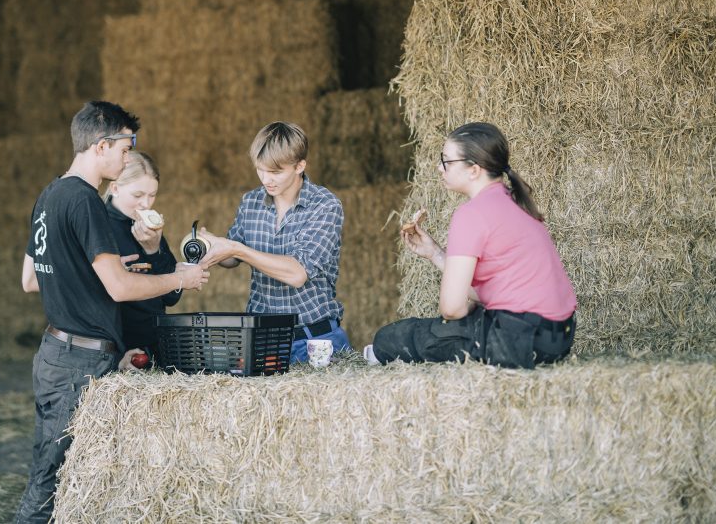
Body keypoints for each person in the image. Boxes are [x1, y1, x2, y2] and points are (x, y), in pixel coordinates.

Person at [16, 101, 210, 523]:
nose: (127, 157)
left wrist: (105, 267)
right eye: (126, 148)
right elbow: (119, 290)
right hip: (78, 363)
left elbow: (32, 279)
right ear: (102, 145)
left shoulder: (50, 194)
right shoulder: (85, 201)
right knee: (48, 488)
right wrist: (179, 279)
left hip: (55, 354)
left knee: (61, 481)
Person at [367, 122, 577, 369]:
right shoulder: (515, 203)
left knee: (390, 338)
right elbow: (495, 292)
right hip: (557, 338)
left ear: (474, 170)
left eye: (446, 161)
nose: (439, 168)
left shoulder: (471, 214)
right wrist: (435, 253)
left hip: (517, 340)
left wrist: (452, 326)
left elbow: (452, 309)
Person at [197, 121, 351, 363]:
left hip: (313, 339)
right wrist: (212, 246)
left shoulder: (325, 206)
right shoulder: (251, 202)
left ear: (300, 166)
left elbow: (297, 273)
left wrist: (237, 248)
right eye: (260, 170)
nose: (266, 179)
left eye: (276, 172)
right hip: (262, 340)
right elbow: (232, 259)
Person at [102, 151, 181, 356]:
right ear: (115, 188)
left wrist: (154, 250)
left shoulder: (149, 227)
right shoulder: (100, 226)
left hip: (154, 345)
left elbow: (172, 296)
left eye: (152, 195)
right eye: (138, 195)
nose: (146, 204)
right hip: (118, 349)